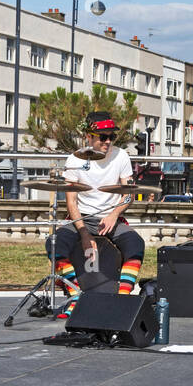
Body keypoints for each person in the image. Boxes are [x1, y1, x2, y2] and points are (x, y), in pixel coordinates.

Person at [51, 112, 146, 317]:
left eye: (111, 136)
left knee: (136, 244)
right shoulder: (74, 159)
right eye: (103, 137)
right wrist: (84, 233)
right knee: (55, 242)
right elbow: (71, 201)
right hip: (81, 217)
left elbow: (128, 195)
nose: (108, 141)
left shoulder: (121, 156)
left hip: (111, 217)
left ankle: (122, 297)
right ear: (89, 136)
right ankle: (74, 295)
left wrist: (113, 214)